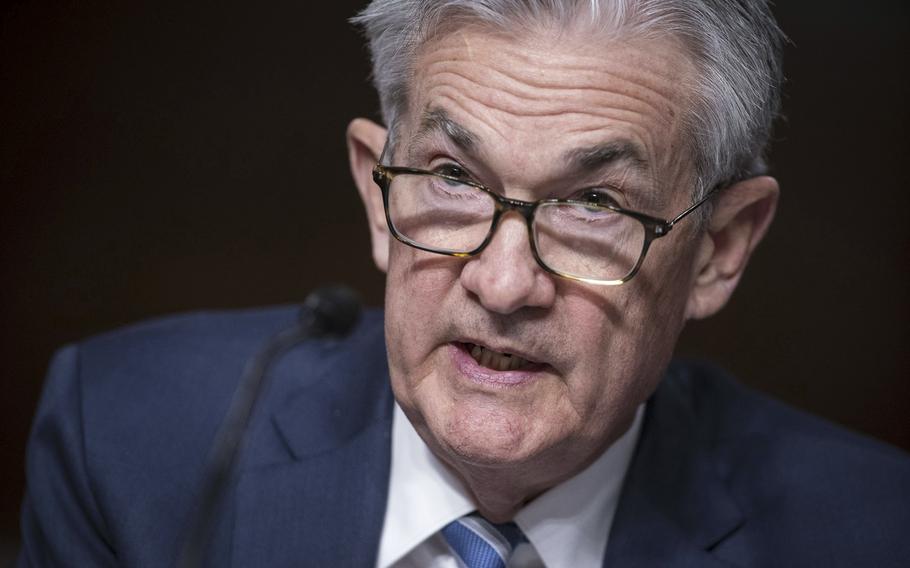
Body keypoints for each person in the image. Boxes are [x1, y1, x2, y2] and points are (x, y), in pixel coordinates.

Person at [18, 1, 910, 566]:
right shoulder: (131, 439)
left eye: (594, 201)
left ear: (719, 248)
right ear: (378, 192)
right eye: (453, 178)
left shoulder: (871, 535)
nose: (503, 281)